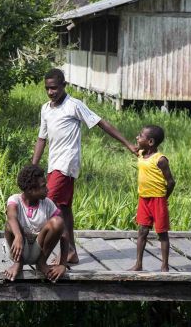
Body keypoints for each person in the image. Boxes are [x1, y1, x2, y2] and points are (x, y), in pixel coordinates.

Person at [32, 68, 136, 264]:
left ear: (64, 85)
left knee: (50, 207)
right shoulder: (45, 108)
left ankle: (43, 254)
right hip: (53, 164)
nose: (51, 92)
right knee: (64, 209)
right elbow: (41, 139)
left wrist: (126, 143)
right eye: (47, 88)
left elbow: (101, 123)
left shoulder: (74, 105)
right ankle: (71, 252)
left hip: (67, 164)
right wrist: (33, 167)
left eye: (54, 88)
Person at [4, 165, 67, 282]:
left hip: (38, 251)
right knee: (9, 224)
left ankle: (41, 263)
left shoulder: (48, 204)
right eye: (43, 186)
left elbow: (64, 233)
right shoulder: (15, 200)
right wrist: (18, 236)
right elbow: (11, 216)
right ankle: (18, 263)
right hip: (18, 250)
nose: (47, 189)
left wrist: (63, 264)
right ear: (30, 190)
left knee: (58, 222)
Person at [129, 125, 175, 272]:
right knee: (142, 231)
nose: (137, 137)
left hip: (158, 200)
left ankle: (164, 266)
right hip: (144, 199)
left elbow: (171, 182)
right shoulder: (141, 154)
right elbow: (135, 149)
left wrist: (164, 197)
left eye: (140, 136)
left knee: (162, 233)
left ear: (150, 142)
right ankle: (138, 264)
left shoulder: (160, 160)